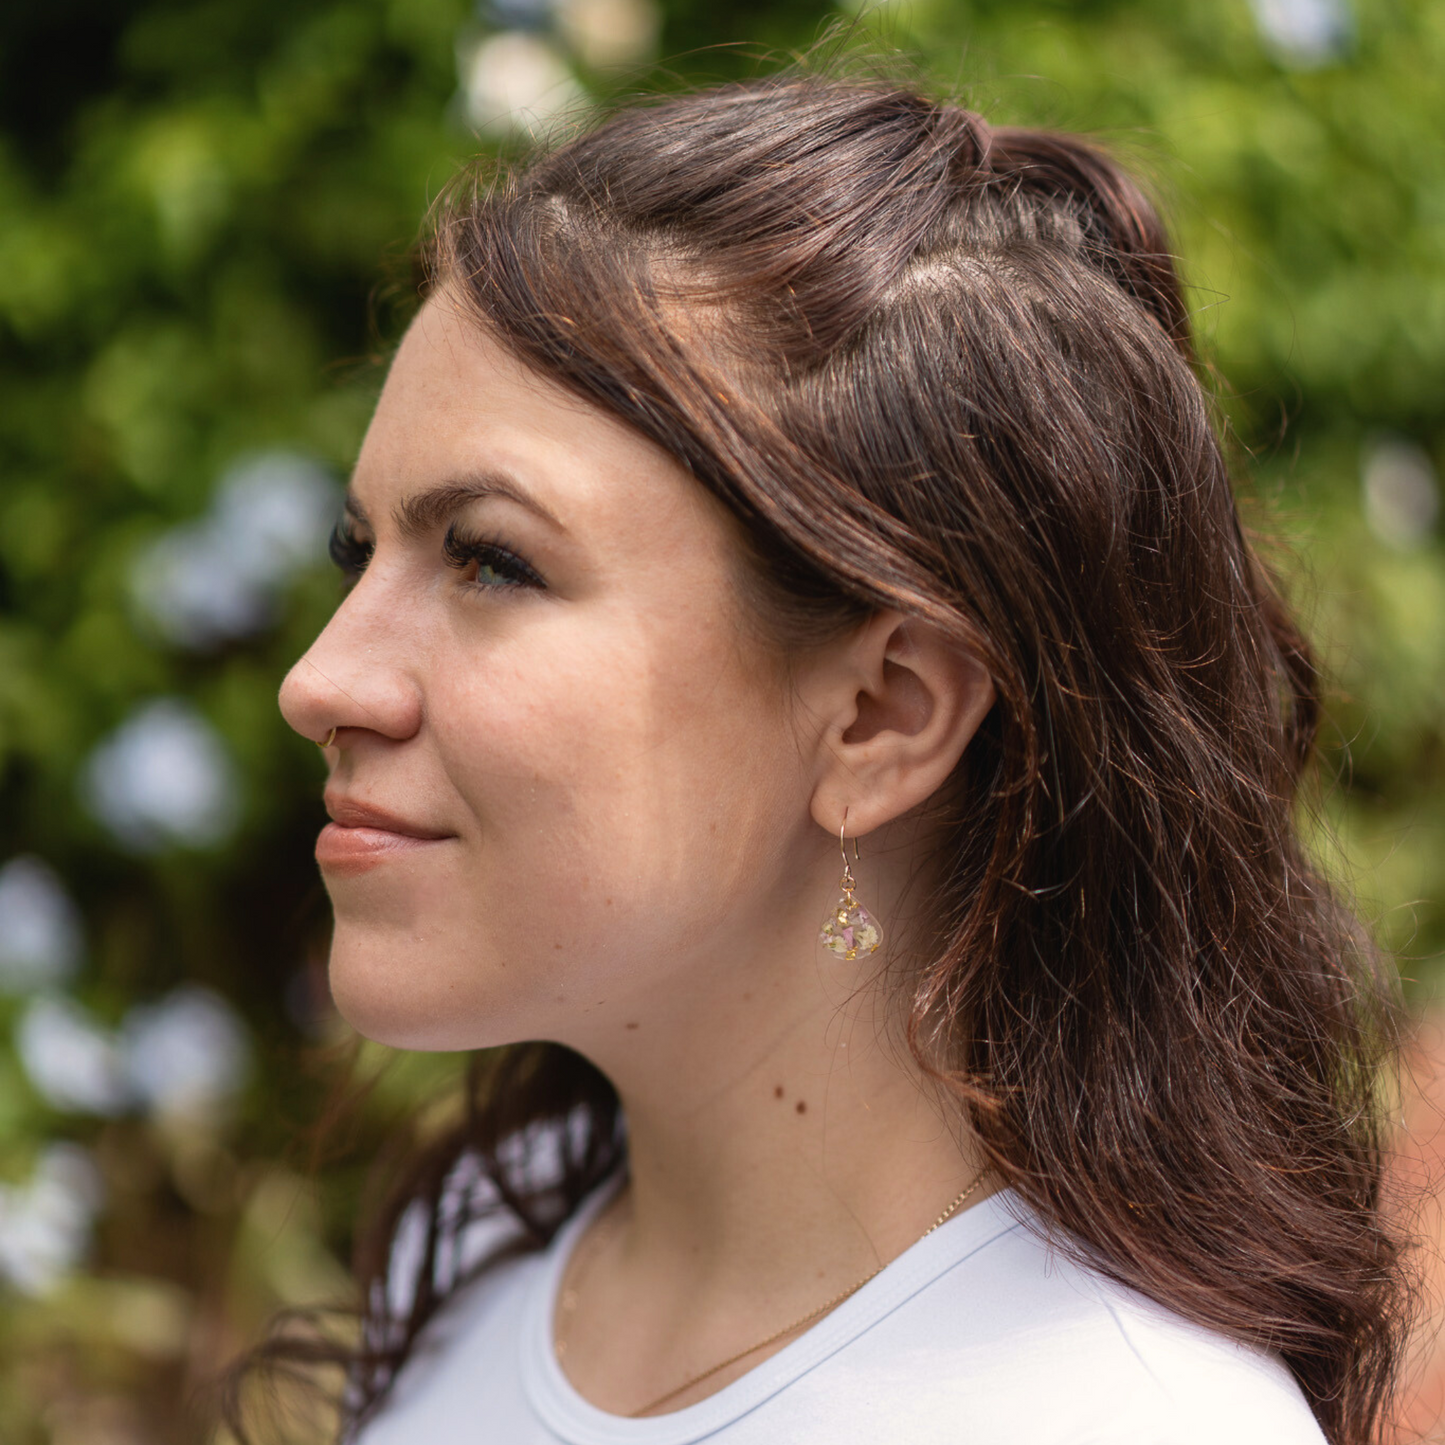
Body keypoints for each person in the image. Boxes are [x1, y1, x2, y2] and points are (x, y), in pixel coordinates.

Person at [265, 68, 1408, 1445]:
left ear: (885, 716)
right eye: (360, 550)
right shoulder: (491, 1243)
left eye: (492, 561)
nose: (319, 679)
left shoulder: (1113, 1417)